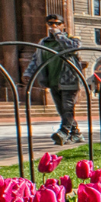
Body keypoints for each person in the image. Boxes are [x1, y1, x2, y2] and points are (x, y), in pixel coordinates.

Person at [22, 15, 83, 146]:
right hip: (52, 80)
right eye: (50, 24)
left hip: (69, 80)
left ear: (63, 25)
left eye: (57, 23)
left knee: (68, 108)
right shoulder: (43, 42)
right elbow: (35, 59)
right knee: (62, 109)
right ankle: (76, 134)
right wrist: (28, 72)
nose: (53, 26)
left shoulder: (72, 39)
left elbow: (73, 49)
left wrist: (59, 35)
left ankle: (64, 132)